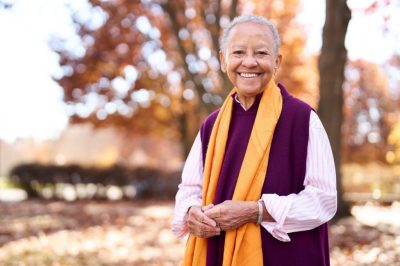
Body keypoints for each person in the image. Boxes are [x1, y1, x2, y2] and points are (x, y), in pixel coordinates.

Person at [172, 14, 337, 266]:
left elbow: (324, 200)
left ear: (277, 61)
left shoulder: (303, 119)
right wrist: (191, 212)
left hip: (288, 257)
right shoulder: (211, 125)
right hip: (220, 251)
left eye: (261, 53)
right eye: (238, 52)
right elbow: (190, 189)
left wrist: (256, 212)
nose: (249, 62)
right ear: (223, 59)